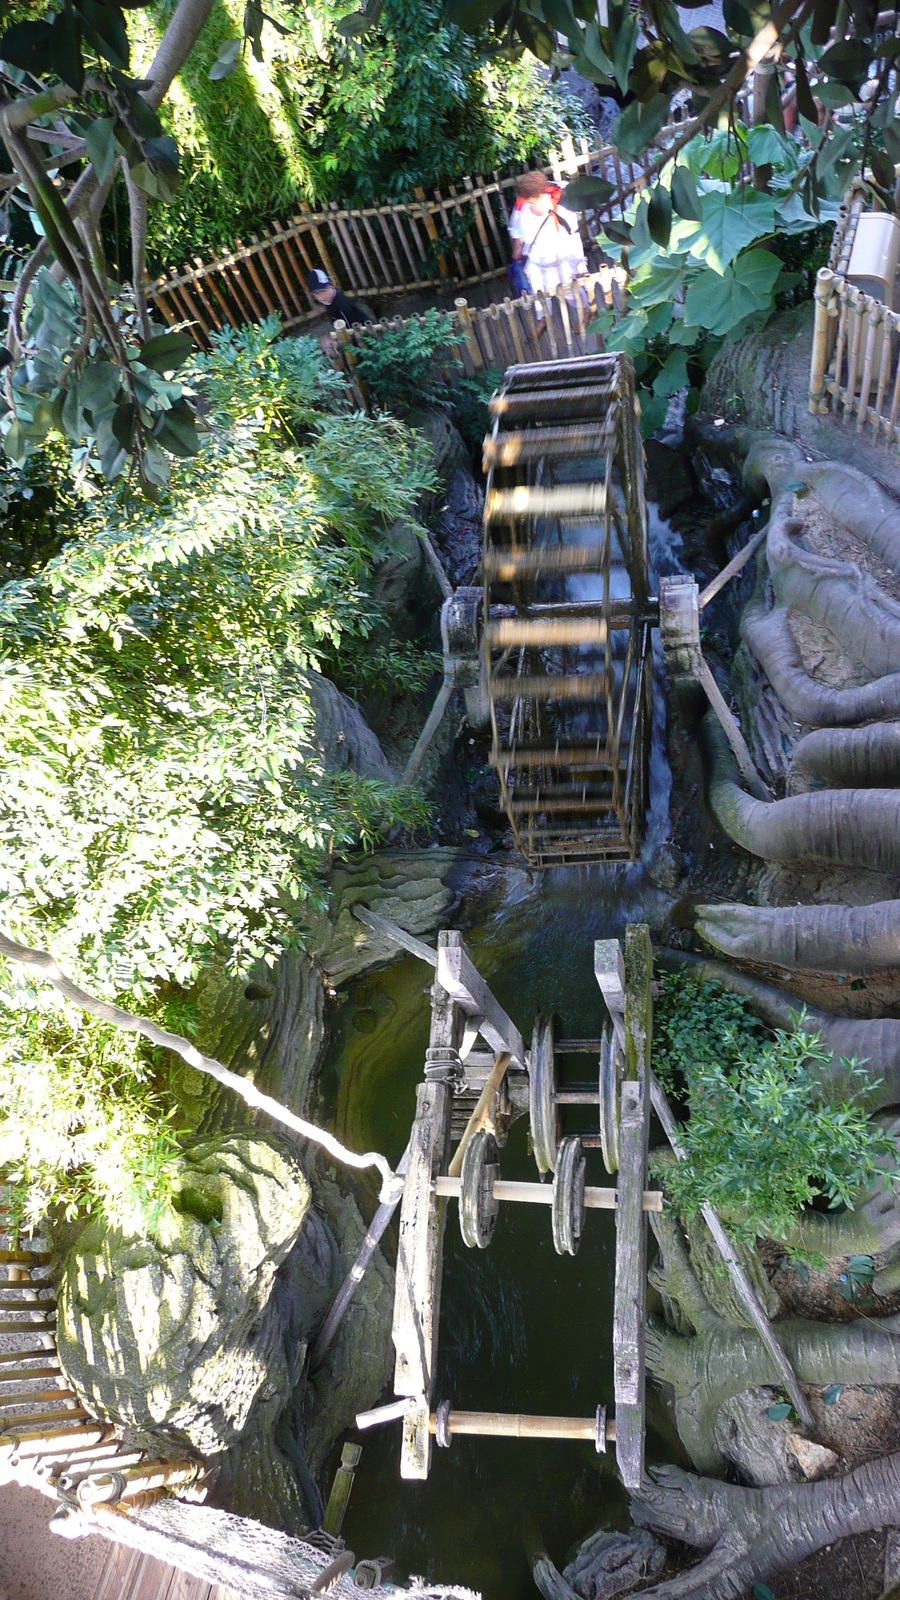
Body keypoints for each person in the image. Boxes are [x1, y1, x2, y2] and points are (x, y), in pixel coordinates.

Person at [508, 171, 587, 300]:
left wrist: (579, 265)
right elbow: (516, 229)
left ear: (537, 194)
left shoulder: (561, 206)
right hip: (535, 265)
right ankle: (543, 320)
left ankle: (585, 315)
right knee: (540, 300)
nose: (527, 202)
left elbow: (573, 236)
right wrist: (517, 250)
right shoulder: (522, 204)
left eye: (530, 199)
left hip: (562, 264)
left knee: (573, 295)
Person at [306, 267, 372, 327]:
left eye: (323, 291)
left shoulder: (342, 306)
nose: (321, 296)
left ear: (331, 285)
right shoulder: (330, 300)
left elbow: (354, 329)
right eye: (316, 293)